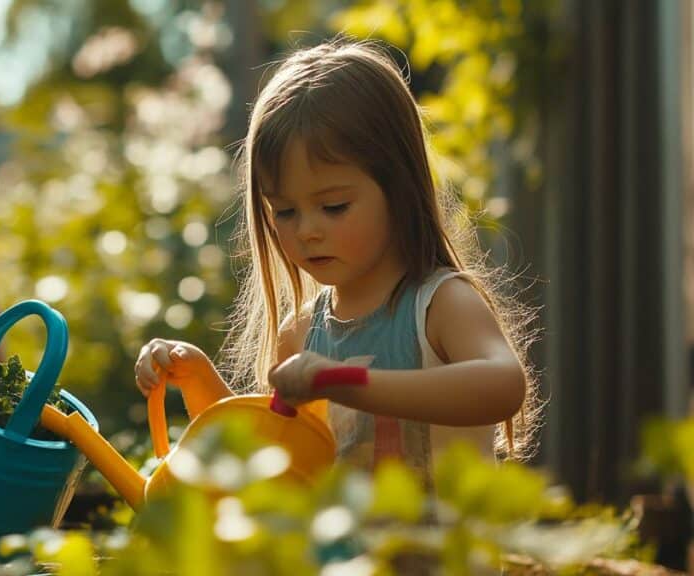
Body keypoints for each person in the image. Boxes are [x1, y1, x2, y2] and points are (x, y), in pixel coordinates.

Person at [133, 40, 542, 478]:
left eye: (334, 207)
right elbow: (267, 463)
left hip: (447, 548)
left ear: (399, 187)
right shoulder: (301, 336)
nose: (307, 230)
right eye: (285, 212)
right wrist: (199, 382)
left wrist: (345, 383)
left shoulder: (439, 305)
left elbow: (503, 385)